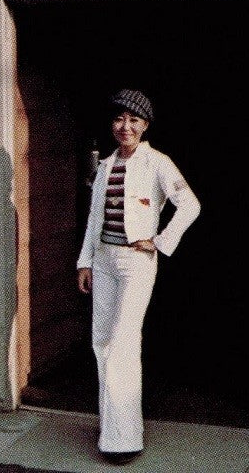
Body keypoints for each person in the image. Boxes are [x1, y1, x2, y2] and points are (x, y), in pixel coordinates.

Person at [77, 89, 200, 465]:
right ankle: (112, 427)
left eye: (133, 120)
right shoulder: (105, 165)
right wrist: (84, 262)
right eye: (119, 119)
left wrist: (159, 241)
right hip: (104, 260)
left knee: (123, 343)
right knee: (102, 342)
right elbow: (94, 218)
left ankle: (124, 440)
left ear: (145, 125)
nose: (125, 126)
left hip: (135, 262)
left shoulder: (157, 163)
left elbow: (189, 205)